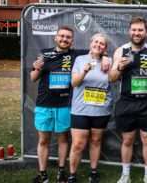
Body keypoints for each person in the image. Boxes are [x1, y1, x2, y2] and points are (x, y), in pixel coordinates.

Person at [30, 26, 109, 183]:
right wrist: (37, 69)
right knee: (43, 139)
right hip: (44, 103)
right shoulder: (44, 53)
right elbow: (33, 77)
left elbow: (97, 48)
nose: (64, 39)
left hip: (66, 104)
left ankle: (62, 172)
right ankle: (43, 174)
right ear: (55, 38)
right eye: (61, 36)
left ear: (72, 40)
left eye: (68, 37)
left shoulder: (77, 55)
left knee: (63, 138)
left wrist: (105, 56)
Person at [109, 16, 147, 183]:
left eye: (140, 30)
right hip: (127, 102)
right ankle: (125, 174)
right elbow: (111, 78)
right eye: (134, 30)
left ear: (146, 32)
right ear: (129, 31)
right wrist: (119, 67)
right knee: (127, 139)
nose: (137, 33)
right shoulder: (120, 50)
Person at [67, 33, 112, 183]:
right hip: (81, 109)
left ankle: (93, 172)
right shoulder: (80, 60)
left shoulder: (109, 61)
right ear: (90, 44)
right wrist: (84, 71)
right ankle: (72, 175)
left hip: (101, 110)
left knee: (95, 142)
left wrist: (105, 57)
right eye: (96, 42)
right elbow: (74, 83)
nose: (98, 45)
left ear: (105, 48)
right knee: (78, 144)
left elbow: (114, 79)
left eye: (102, 43)